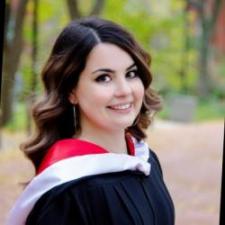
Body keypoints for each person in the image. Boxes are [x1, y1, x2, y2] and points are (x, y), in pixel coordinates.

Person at [6, 17, 175, 225]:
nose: (124, 90)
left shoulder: (146, 161)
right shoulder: (66, 191)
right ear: (71, 91)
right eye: (104, 78)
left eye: (131, 74)